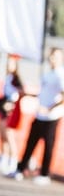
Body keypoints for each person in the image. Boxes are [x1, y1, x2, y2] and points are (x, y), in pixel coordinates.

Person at [12, 47, 64, 184]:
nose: (53, 59)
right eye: (52, 56)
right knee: (30, 143)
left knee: (48, 146)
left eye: (56, 56)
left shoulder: (60, 74)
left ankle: (44, 174)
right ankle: (21, 169)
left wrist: (50, 108)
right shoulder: (48, 74)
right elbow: (43, 94)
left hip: (52, 117)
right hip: (39, 115)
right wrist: (28, 95)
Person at [0, 53, 25, 176]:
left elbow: (21, 92)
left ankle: (13, 161)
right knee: (3, 135)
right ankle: (4, 158)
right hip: (3, 109)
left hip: (10, 110)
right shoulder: (8, 77)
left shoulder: (16, 79)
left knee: (10, 136)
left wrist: (12, 103)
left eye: (12, 63)